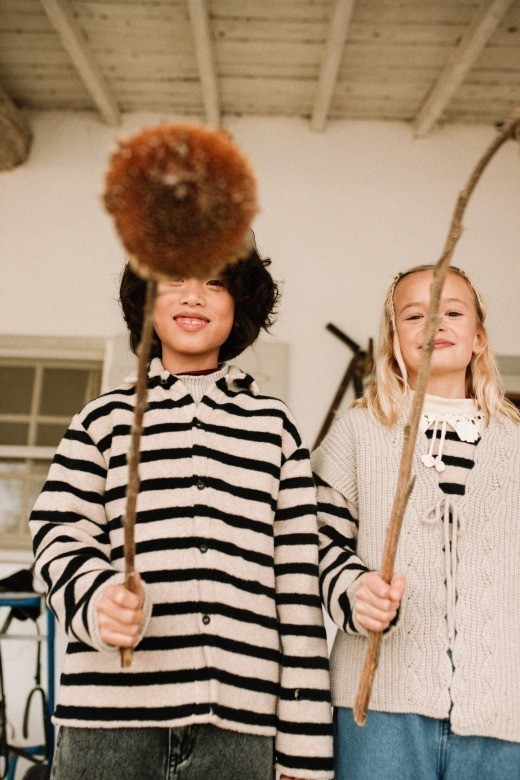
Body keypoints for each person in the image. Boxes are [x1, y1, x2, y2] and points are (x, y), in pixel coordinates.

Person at [30, 239, 333, 780]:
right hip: (107, 723)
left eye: (215, 282)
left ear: (240, 303)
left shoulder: (275, 428)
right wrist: (97, 598)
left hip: (240, 731)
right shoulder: (101, 420)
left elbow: (298, 593)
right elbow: (57, 535)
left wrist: (305, 752)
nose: (194, 295)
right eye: (175, 279)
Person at [312, 264, 520, 780]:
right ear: (393, 340)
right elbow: (315, 543)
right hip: (379, 704)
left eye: (452, 312)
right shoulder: (357, 432)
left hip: (504, 708)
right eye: (414, 316)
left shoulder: (515, 445)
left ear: (478, 338)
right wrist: (354, 590)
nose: (435, 325)